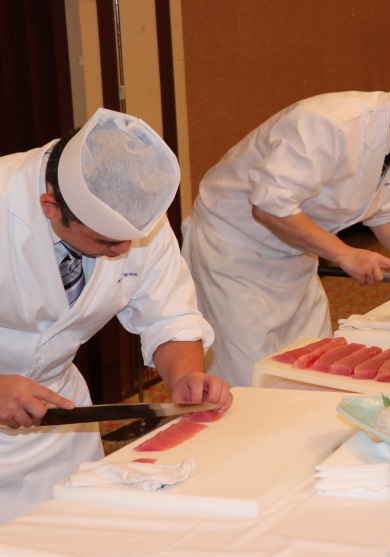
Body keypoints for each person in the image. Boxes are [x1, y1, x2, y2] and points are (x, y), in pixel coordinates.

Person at [182, 54, 390, 387]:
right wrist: (345, 254)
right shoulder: (327, 123)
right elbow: (268, 207)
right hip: (232, 255)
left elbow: (386, 214)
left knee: (311, 366)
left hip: (294, 252)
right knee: (249, 378)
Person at [0, 108, 233, 524]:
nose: (122, 252)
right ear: (50, 207)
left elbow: (169, 316)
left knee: (78, 535)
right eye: (105, 241)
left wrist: (185, 377)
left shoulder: (132, 209)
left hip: (60, 419)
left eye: (128, 240)